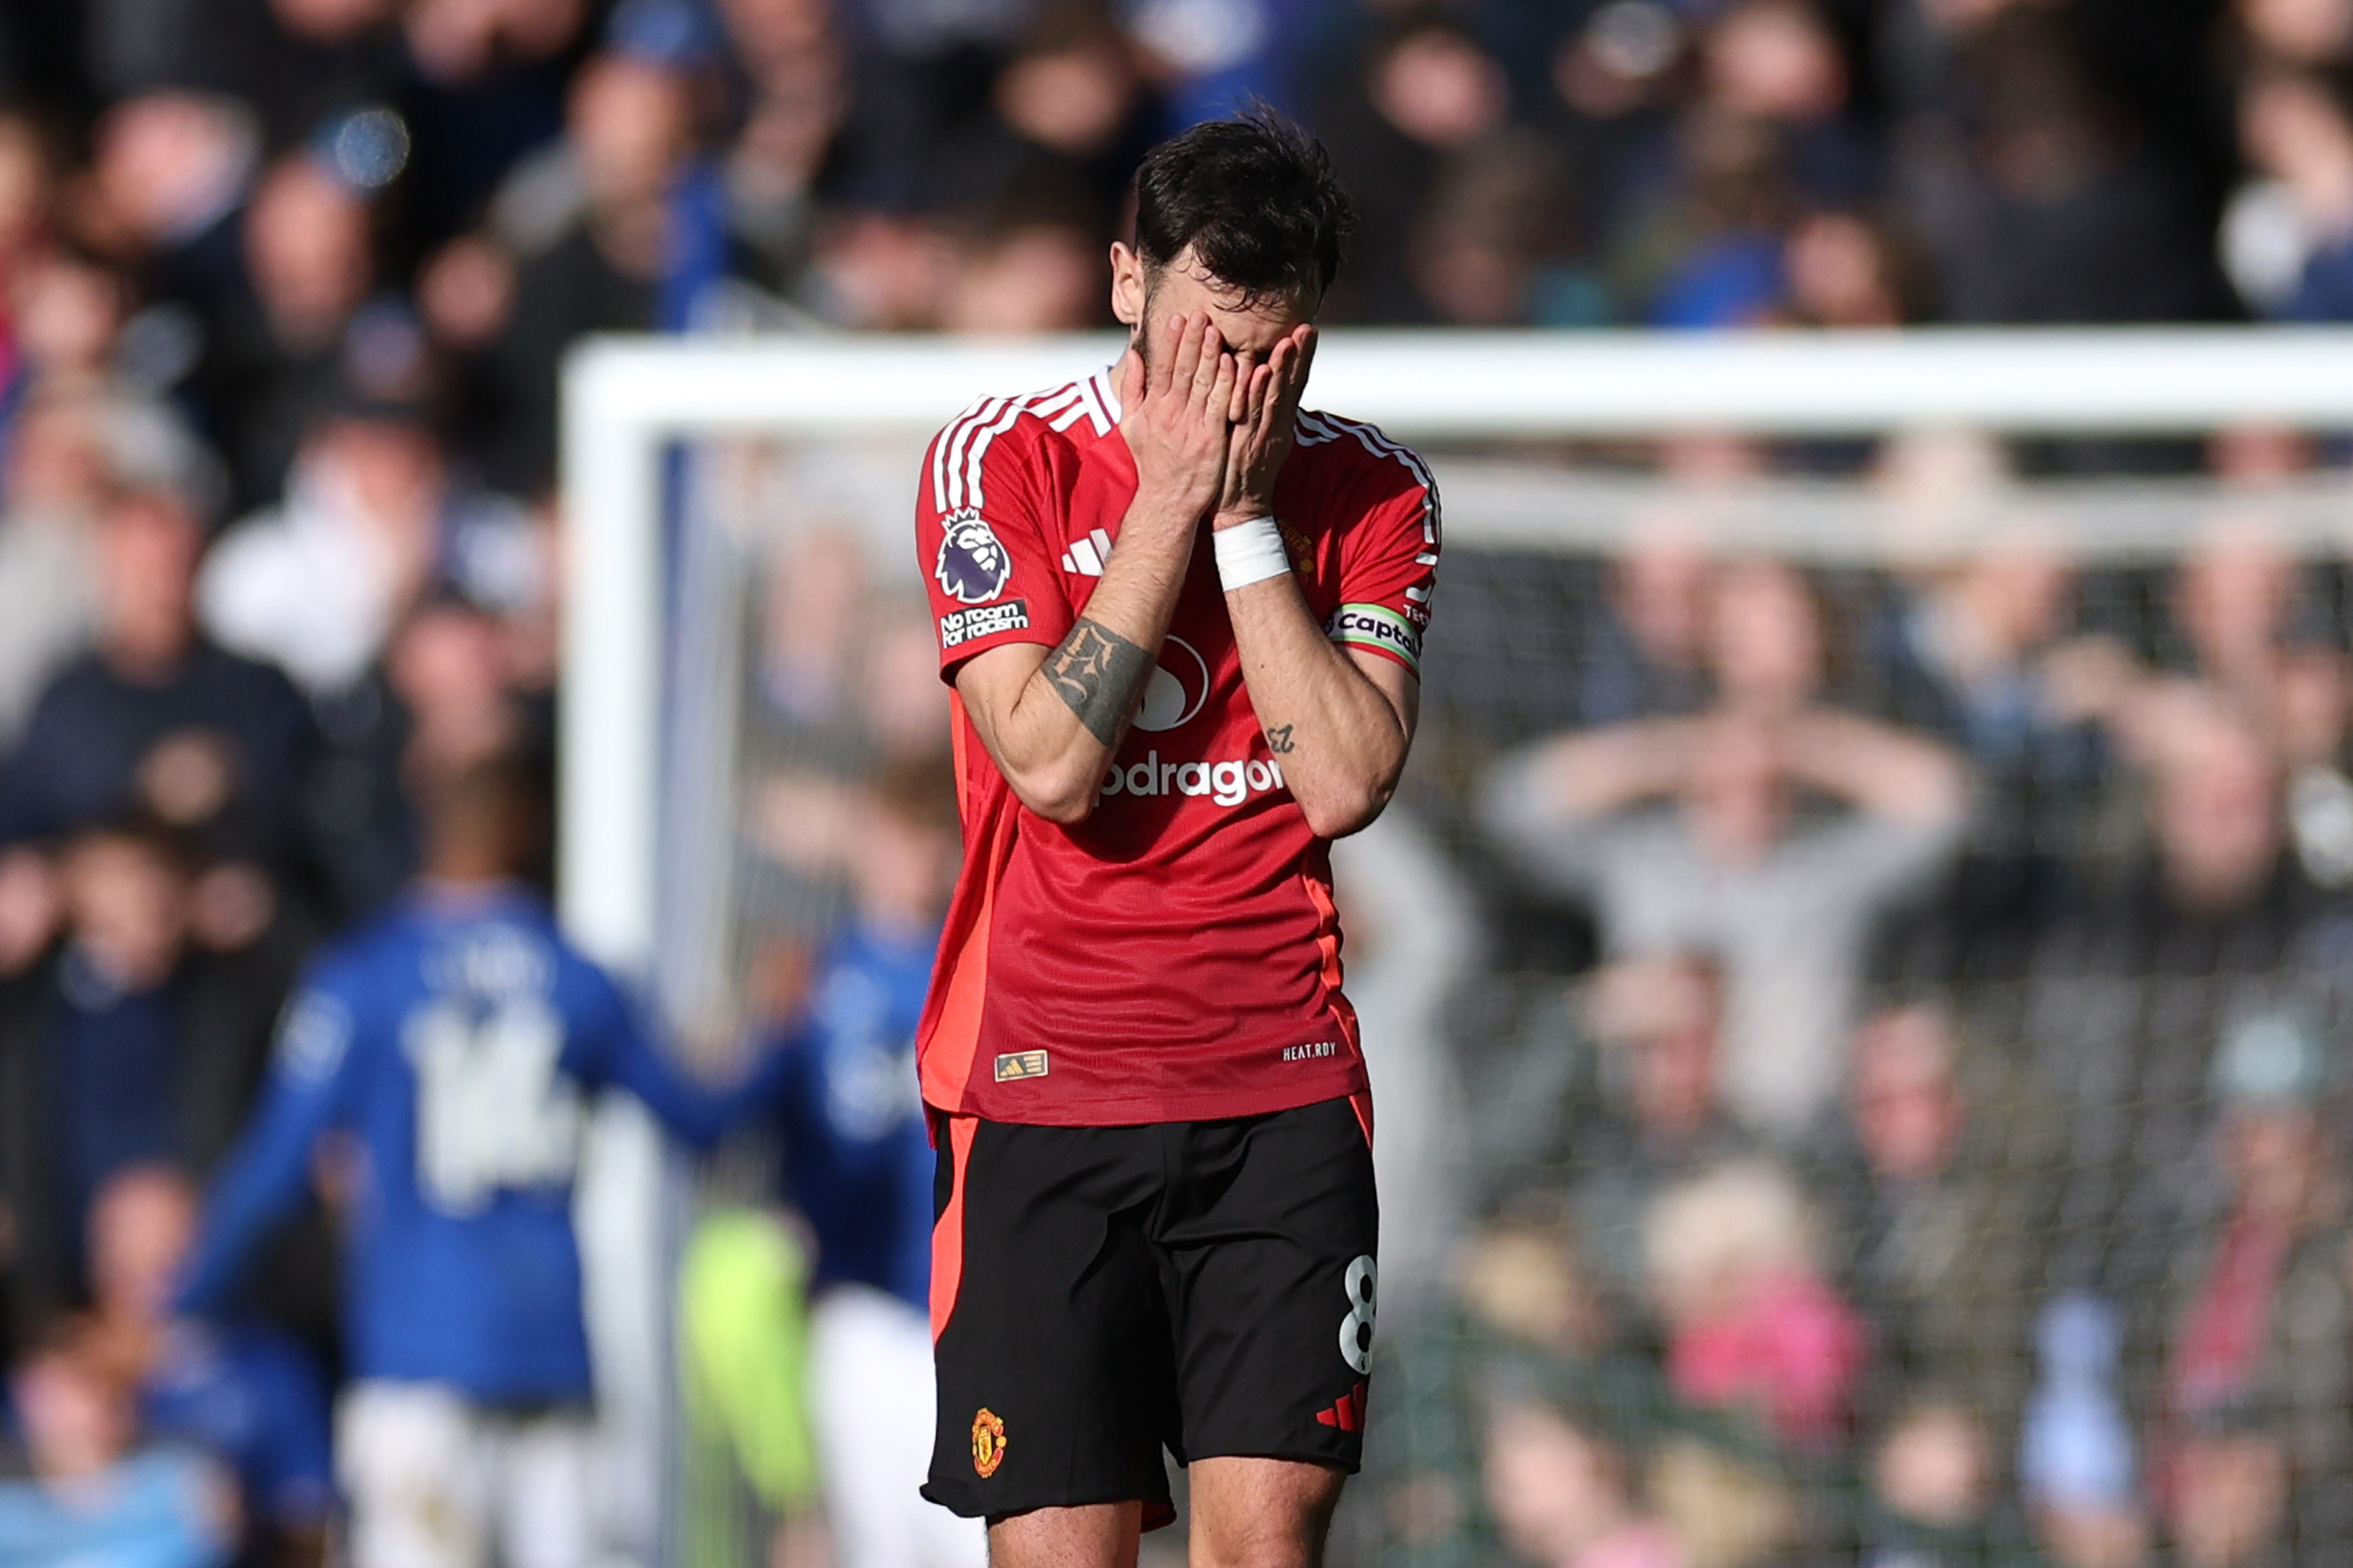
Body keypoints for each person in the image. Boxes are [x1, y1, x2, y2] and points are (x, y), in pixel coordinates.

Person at [910, 111, 1438, 1567]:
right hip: (1042, 1092)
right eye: (1209, 342)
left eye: (1271, 358)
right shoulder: (994, 462)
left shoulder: (1372, 491)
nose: (1232, 390)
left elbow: (1341, 781)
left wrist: (1248, 523)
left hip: (1275, 1099)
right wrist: (1169, 503)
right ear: (1128, 283)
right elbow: (1053, 761)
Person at [173, 752, 749, 1568]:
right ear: (526, 827)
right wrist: (772, 1040)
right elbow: (700, 1119)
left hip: (419, 1357)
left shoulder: (364, 976)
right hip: (549, 1348)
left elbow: (273, 1167)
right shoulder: (578, 977)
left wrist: (182, 1299)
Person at [737, 757, 984, 1568]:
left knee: (975, 1542)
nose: (911, 860)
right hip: (862, 1313)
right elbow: (756, 1113)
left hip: (968, 1309)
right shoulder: (812, 980)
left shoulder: (980, 971)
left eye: (927, 840)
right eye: (895, 837)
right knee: (877, 1544)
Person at [84, 1165, 334, 1568]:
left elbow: (309, 1526)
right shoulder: (59, 1380)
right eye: (129, 1249)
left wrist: (245, 1522)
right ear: (99, 1261)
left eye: (170, 1249)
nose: (150, 1262)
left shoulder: (267, 1370)